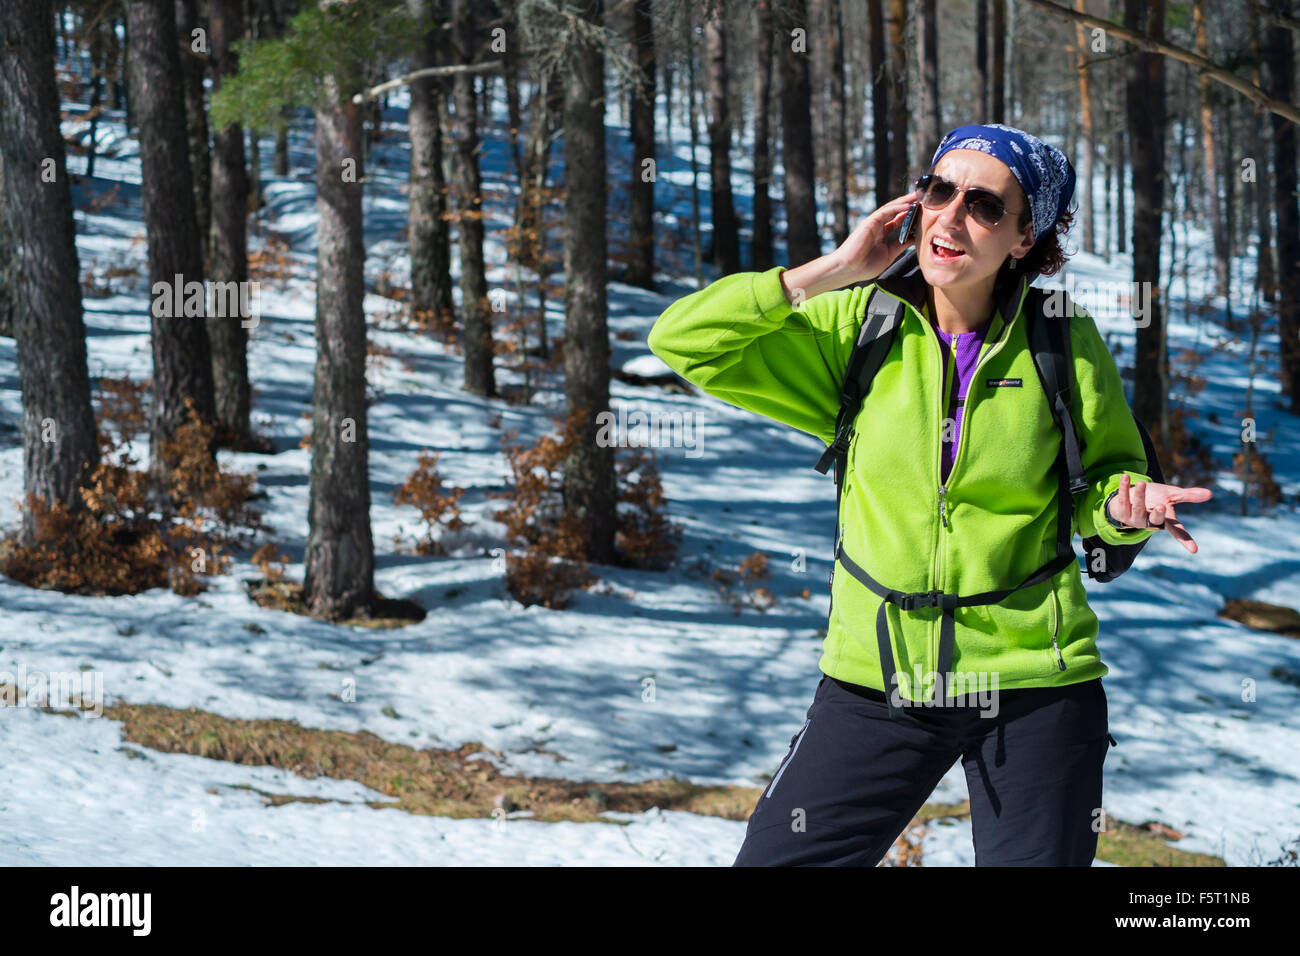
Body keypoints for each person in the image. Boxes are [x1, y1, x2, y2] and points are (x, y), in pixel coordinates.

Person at [647, 123, 1213, 866]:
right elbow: (682, 340)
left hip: (1034, 683)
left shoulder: (1060, 339)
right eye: (939, 190)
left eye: (983, 205)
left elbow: (1103, 482)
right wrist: (833, 270)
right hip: (877, 680)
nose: (950, 216)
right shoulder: (860, 326)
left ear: (1022, 238)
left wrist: (1121, 510)